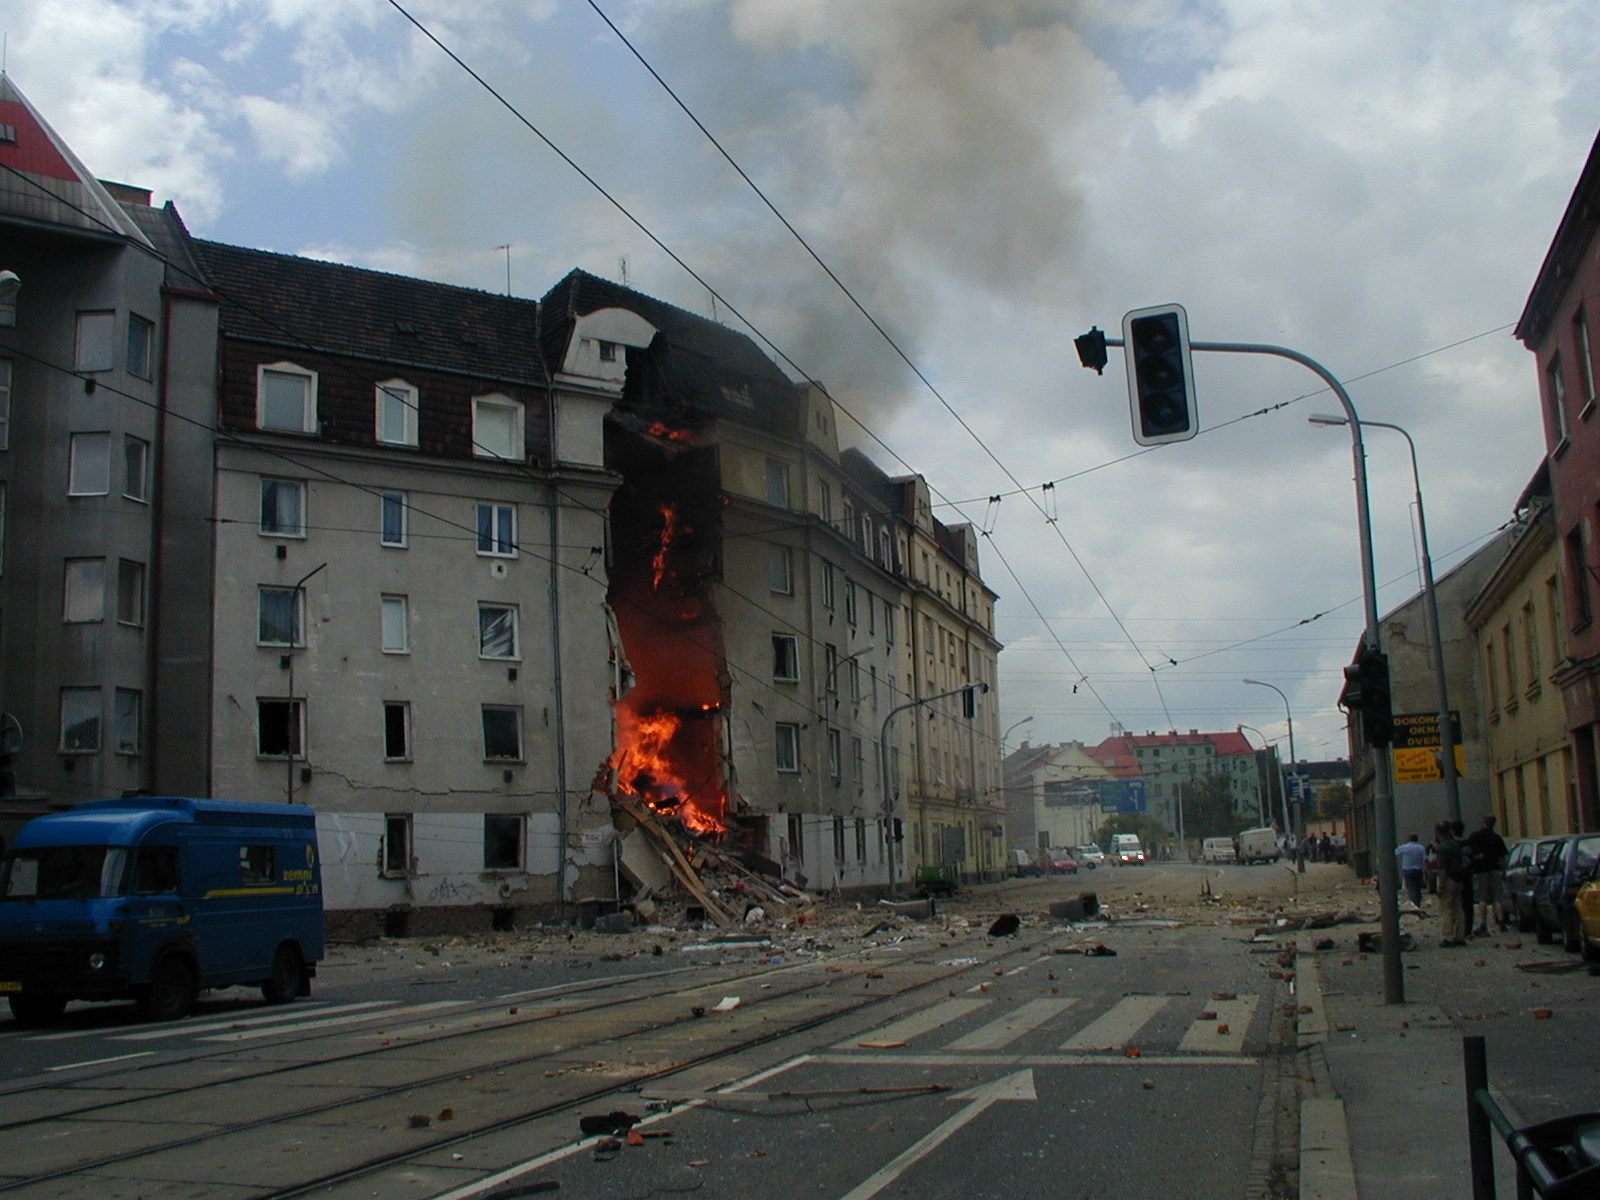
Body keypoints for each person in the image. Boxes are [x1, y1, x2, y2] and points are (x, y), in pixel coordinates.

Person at [1466, 814, 1510, 935]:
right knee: (1497, 897)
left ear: (1483, 822)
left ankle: (1483, 924)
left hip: (1480, 869)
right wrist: (1503, 869)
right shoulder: (1497, 838)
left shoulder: (1474, 837)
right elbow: (1503, 857)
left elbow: (1469, 853)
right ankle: (1501, 922)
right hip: (1495, 869)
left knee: (1482, 898)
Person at [1433, 822, 1469, 946]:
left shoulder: (1442, 848)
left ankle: (1447, 937)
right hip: (1459, 878)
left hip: (1449, 880)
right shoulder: (1455, 845)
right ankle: (1460, 936)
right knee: (1459, 909)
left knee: (1446, 909)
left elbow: (1443, 869)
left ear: (1438, 833)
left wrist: (1441, 886)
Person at [1395, 833, 1428, 908]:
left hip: (1407, 870)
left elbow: (1394, 853)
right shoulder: (1421, 848)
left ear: (1409, 839)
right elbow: (1425, 859)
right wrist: (1428, 870)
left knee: (1411, 888)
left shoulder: (1404, 847)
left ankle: (1414, 904)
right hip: (1418, 871)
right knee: (1417, 888)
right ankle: (1418, 903)